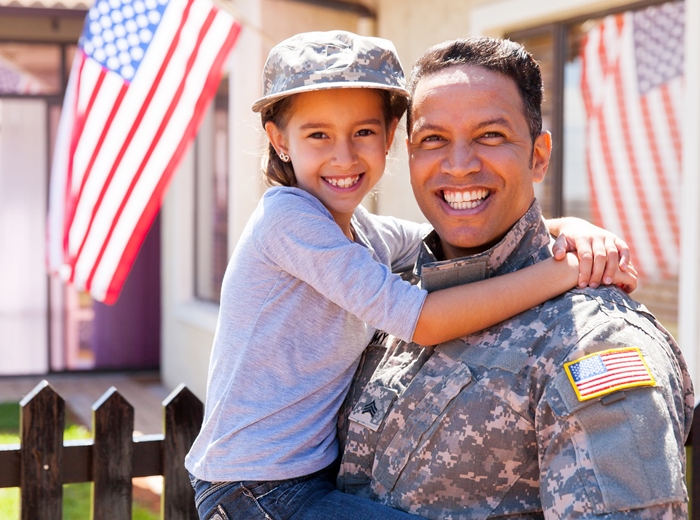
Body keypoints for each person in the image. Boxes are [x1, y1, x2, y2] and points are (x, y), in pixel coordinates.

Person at [185, 31, 636, 520]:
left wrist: (568, 226)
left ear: (390, 136)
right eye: (318, 135)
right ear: (280, 140)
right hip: (255, 487)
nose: (344, 156)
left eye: (363, 132)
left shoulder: (361, 232)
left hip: (301, 476)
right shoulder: (287, 221)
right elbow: (420, 320)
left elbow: (460, 221)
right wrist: (563, 271)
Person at [336, 36, 694, 518]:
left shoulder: (594, 341)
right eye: (433, 139)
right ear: (411, 156)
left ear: (539, 156)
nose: (459, 165)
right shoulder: (388, 291)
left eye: (490, 136)